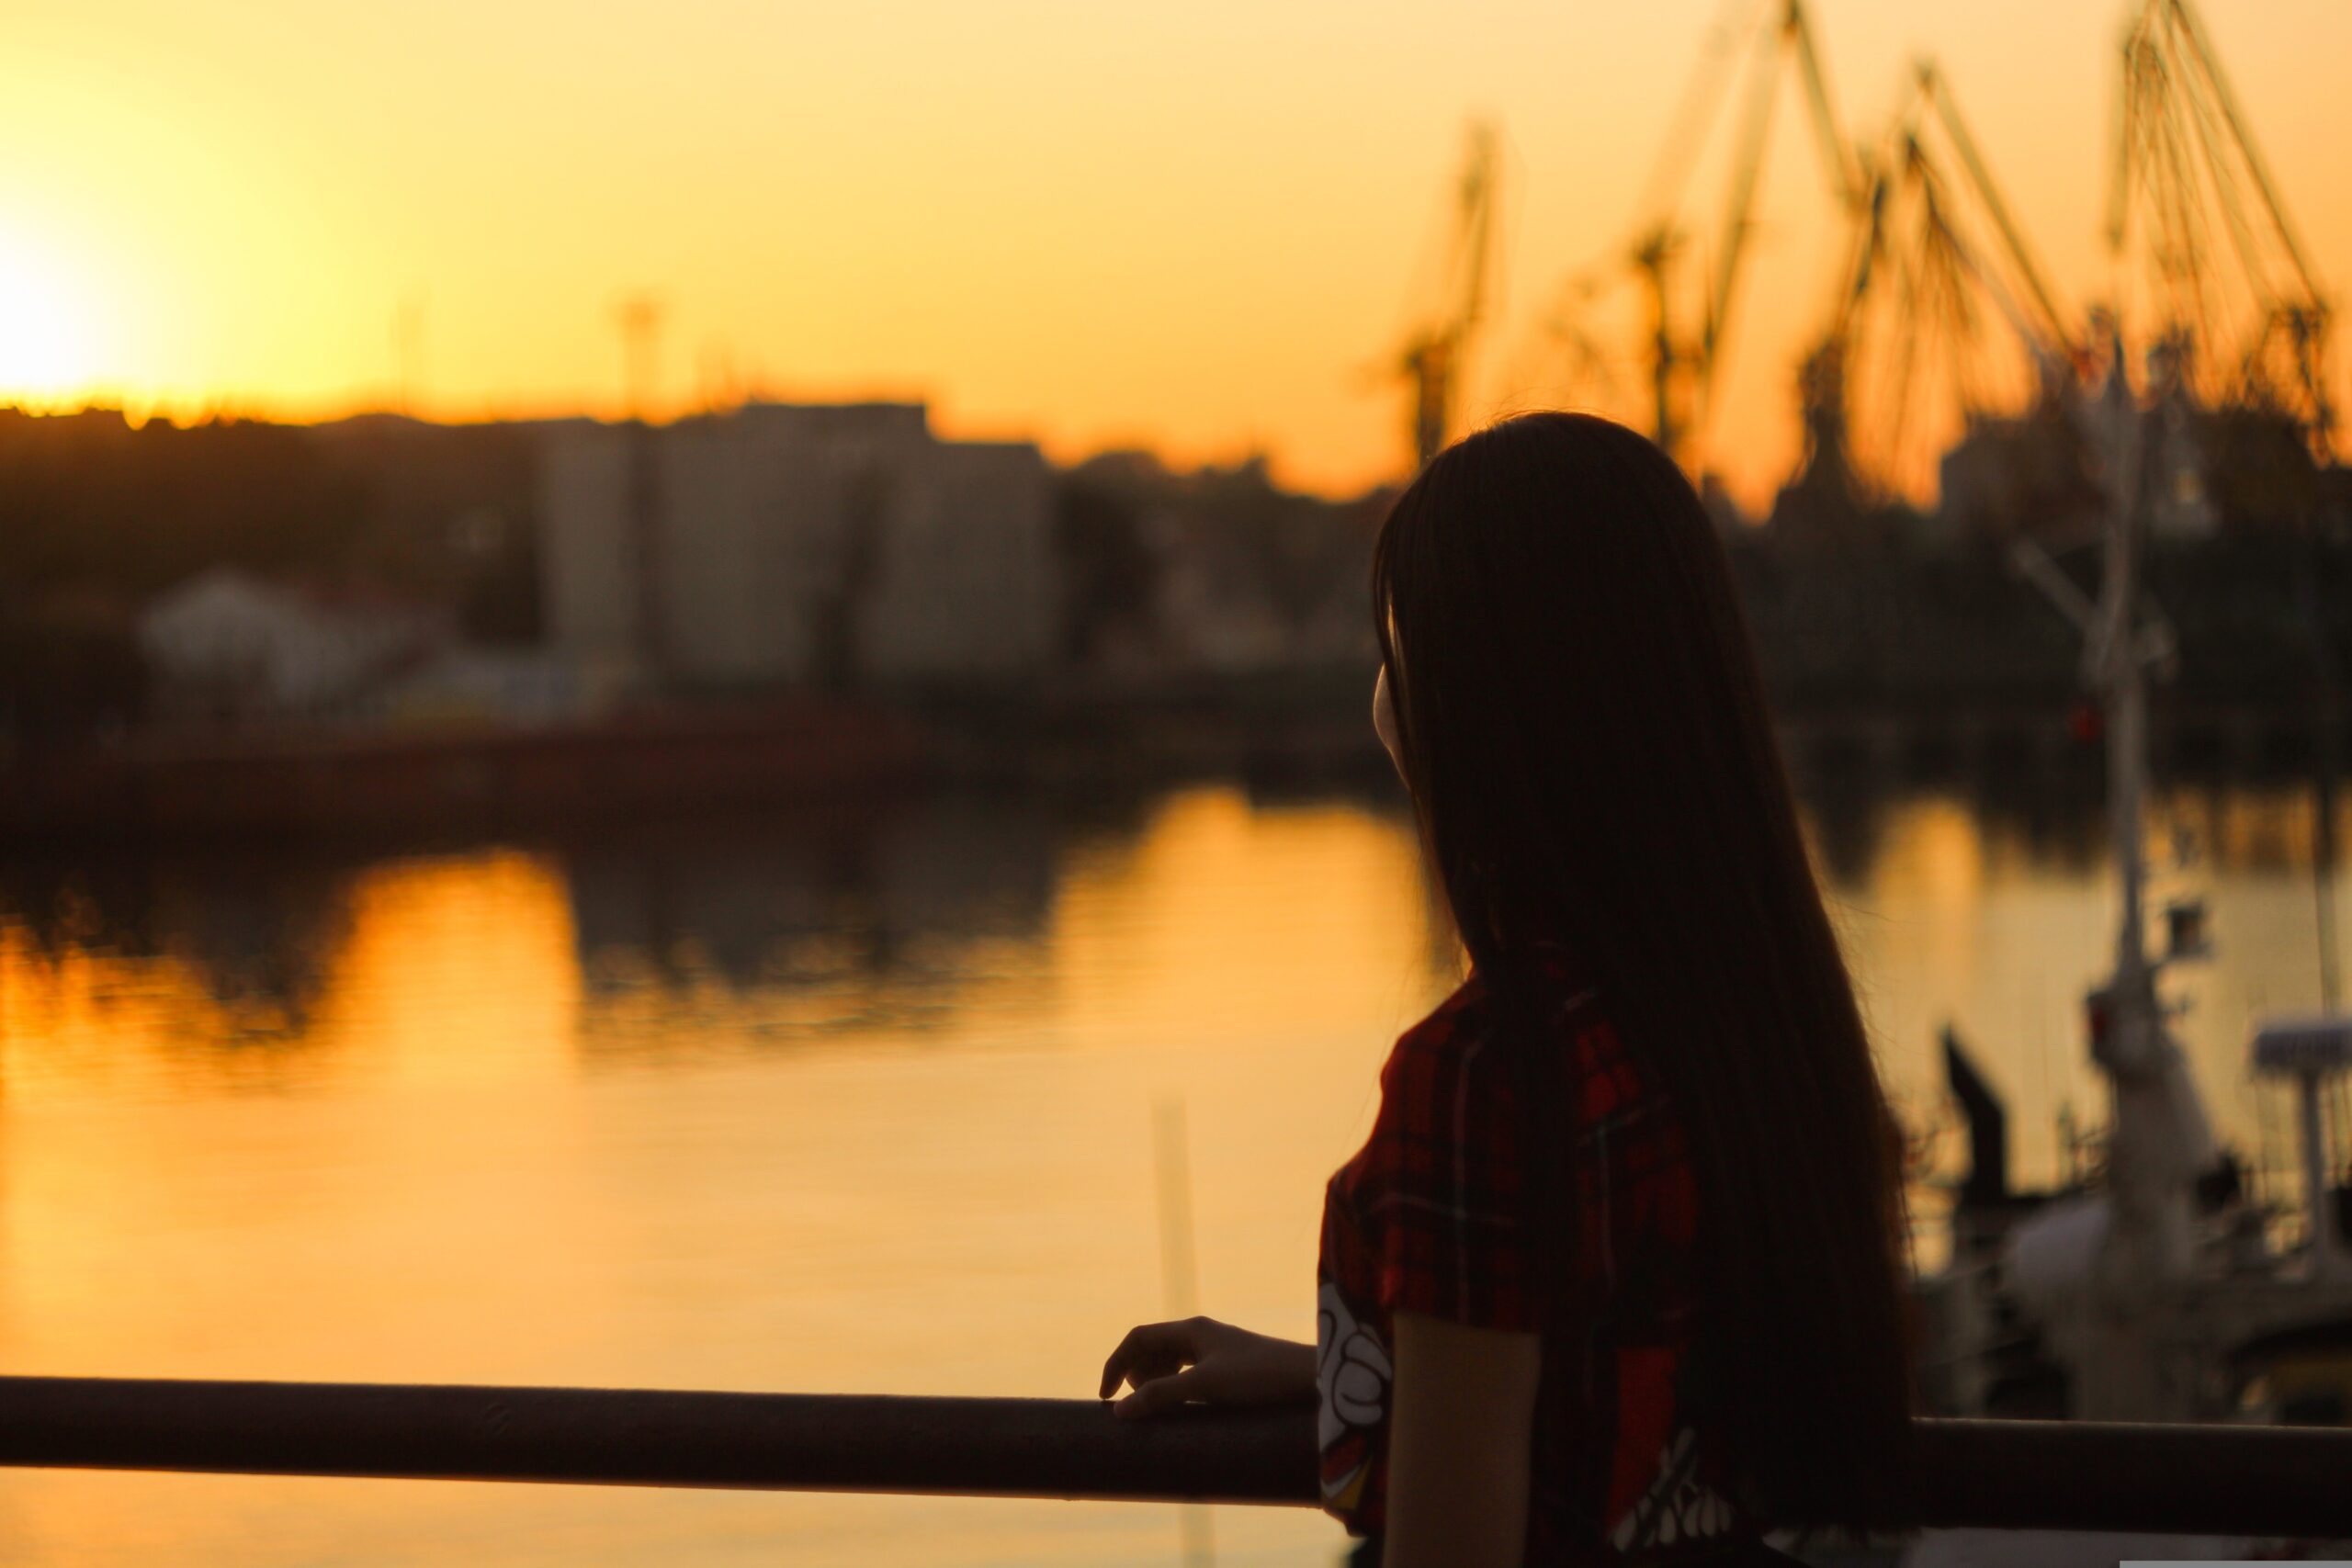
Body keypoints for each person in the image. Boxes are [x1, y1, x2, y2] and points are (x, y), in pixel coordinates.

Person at [1097, 413, 1917, 1567]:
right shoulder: (1760, 1022)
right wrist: (1347, 1368)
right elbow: (1632, 1384)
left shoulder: (1486, 1077)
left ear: (1484, 707)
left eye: (1401, 654)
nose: (1385, 701)